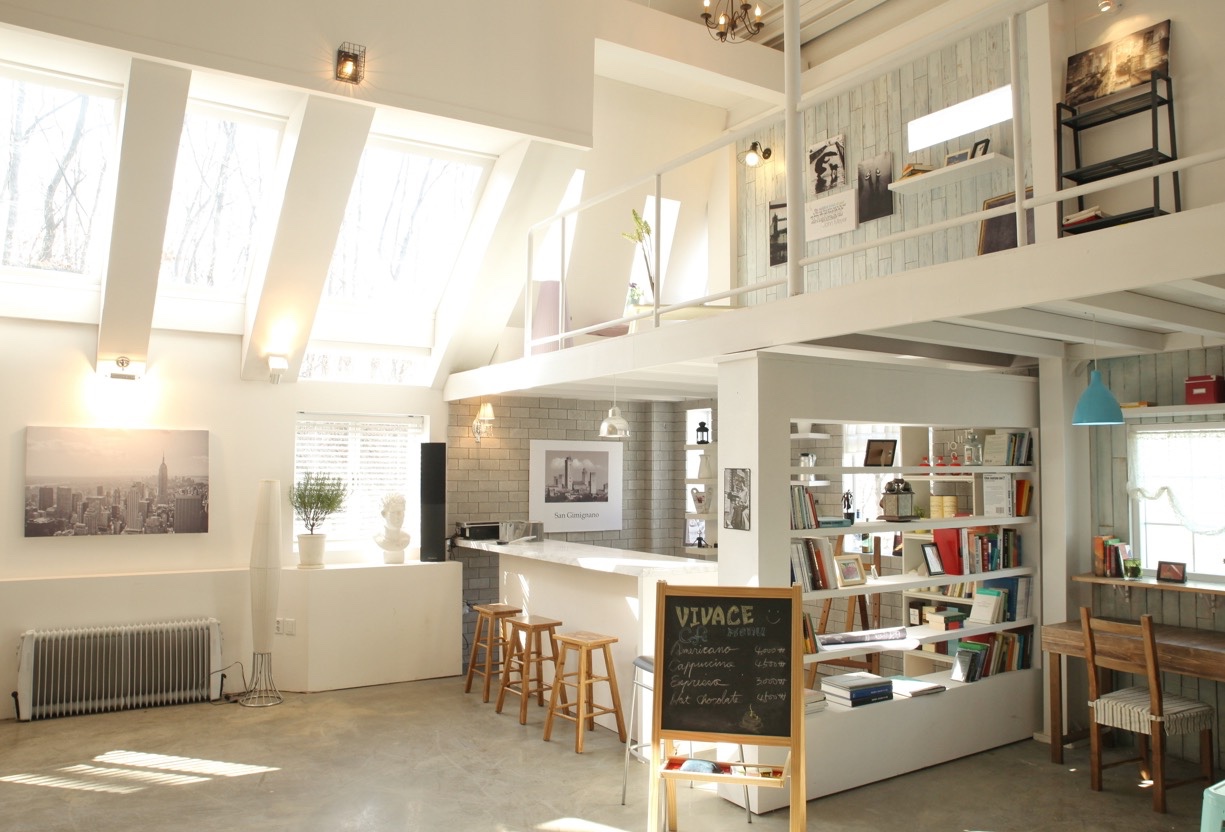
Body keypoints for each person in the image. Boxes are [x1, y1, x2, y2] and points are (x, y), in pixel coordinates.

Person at [374, 493, 411, 561]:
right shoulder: (378, 538)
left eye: (402, 512)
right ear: (383, 514)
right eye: (394, 512)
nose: (399, 516)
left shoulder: (406, 538)